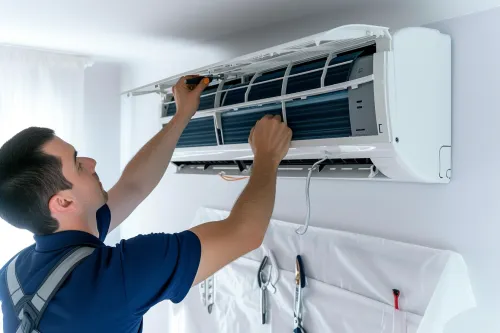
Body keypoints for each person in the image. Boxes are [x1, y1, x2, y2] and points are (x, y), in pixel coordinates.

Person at [0, 76, 292, 333]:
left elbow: (132, 187)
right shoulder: (117, 276)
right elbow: (244, 233)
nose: (91, 162)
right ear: (63, 202)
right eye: (78, 164)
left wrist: (181, 117)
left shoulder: (14, 273)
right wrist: (267, 156)